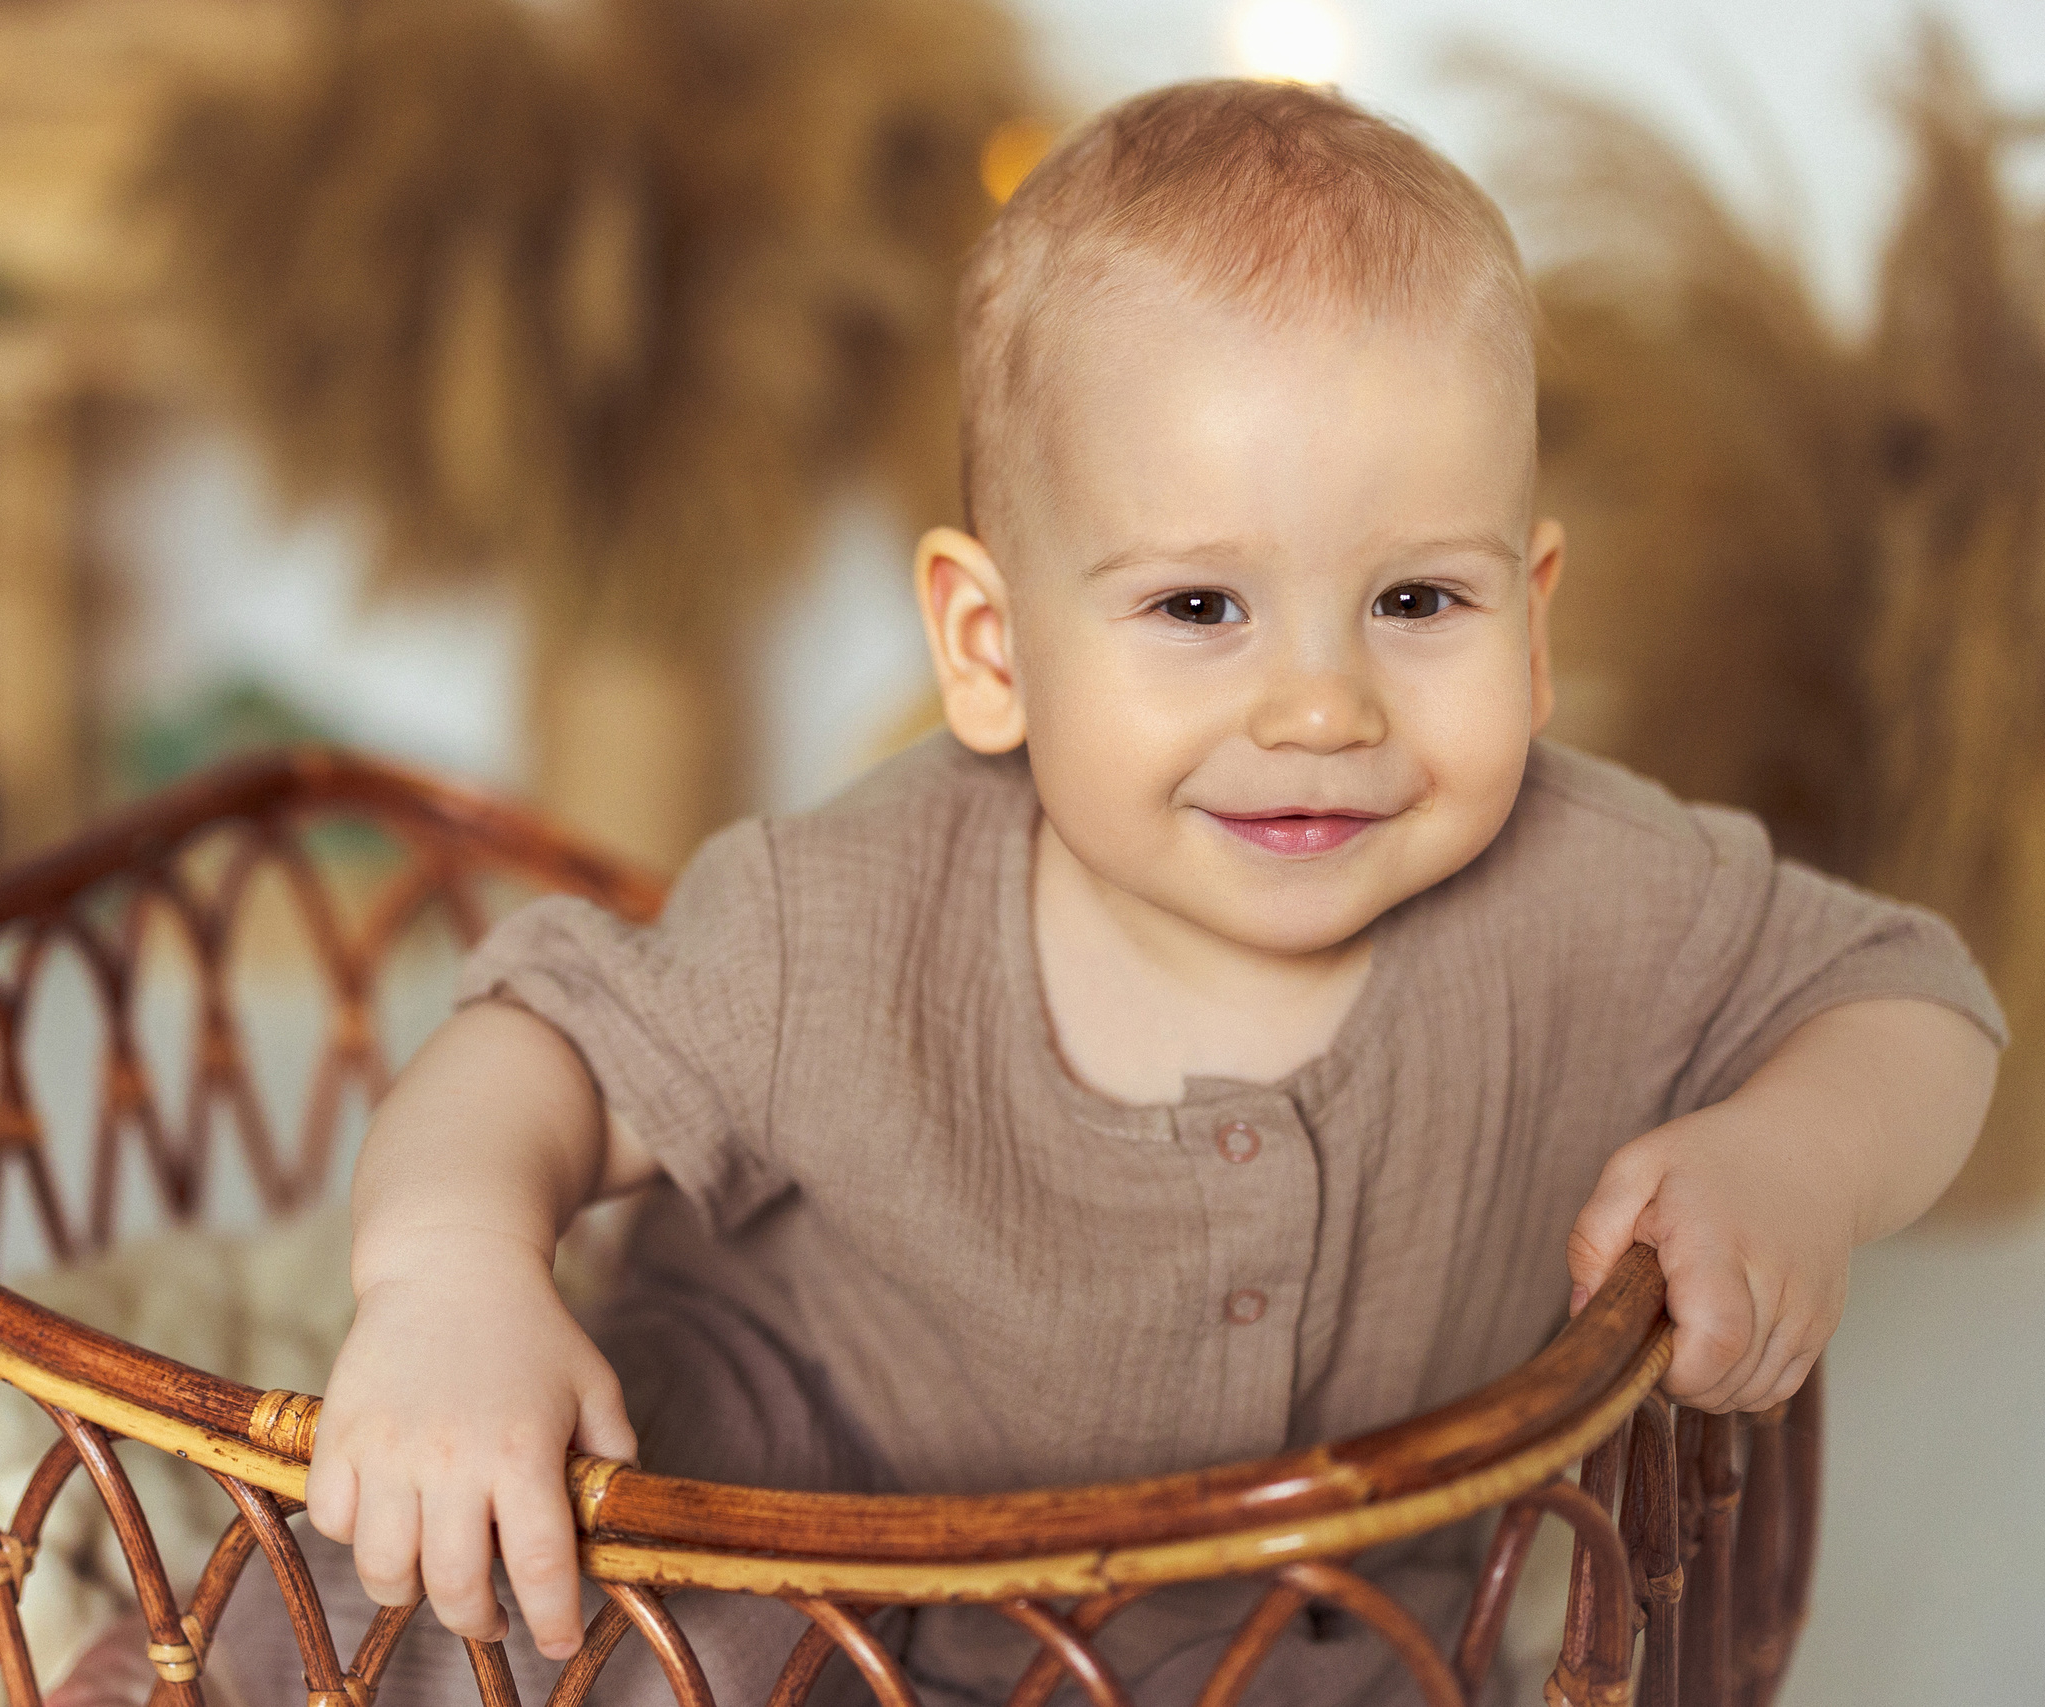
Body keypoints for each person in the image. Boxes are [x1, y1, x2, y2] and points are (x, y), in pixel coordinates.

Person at [110, 79, 2006, 1707]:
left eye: (1420, 602)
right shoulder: (838, 918)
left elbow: (1915, 996)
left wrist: (1798, 1158)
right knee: (483, 1601)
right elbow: (532, 1045)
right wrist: (448, 1277)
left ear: (1536, 615)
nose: (1325, 705)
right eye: (1199, 607)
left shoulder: (1591, 890)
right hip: (767, 1560)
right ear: (991, 646)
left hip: (1305, 1646)